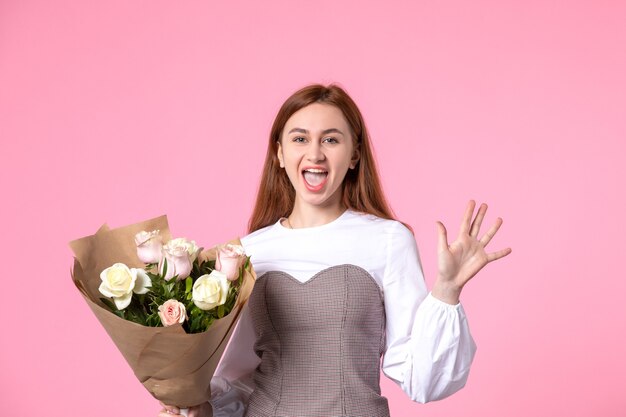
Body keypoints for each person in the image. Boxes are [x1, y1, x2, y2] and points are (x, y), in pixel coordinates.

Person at [159, 83, 511, 417]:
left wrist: (447, 291)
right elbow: (238, 377)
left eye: (331, 139)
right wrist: (201, 407)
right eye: (300, 139)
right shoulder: (247, 253)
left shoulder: (388, 240)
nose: (315, 154)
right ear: (280, 153)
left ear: (355, 154)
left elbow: (422, 380)